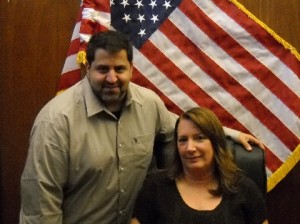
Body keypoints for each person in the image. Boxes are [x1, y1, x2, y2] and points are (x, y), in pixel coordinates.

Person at [19, 31, 264, 224]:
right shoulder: (55, 121)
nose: (112, 79)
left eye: (119, 69)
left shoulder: (147, 104)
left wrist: (230, 133)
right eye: (103, 69)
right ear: (88, 68)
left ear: (131, 70)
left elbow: (184, 128)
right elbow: (41, 208)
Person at [131, 107, 268, 224]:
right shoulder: (155, 187)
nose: (190, 148)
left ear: (216, 143)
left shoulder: (244, 189)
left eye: (199, 138)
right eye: (183, 140)